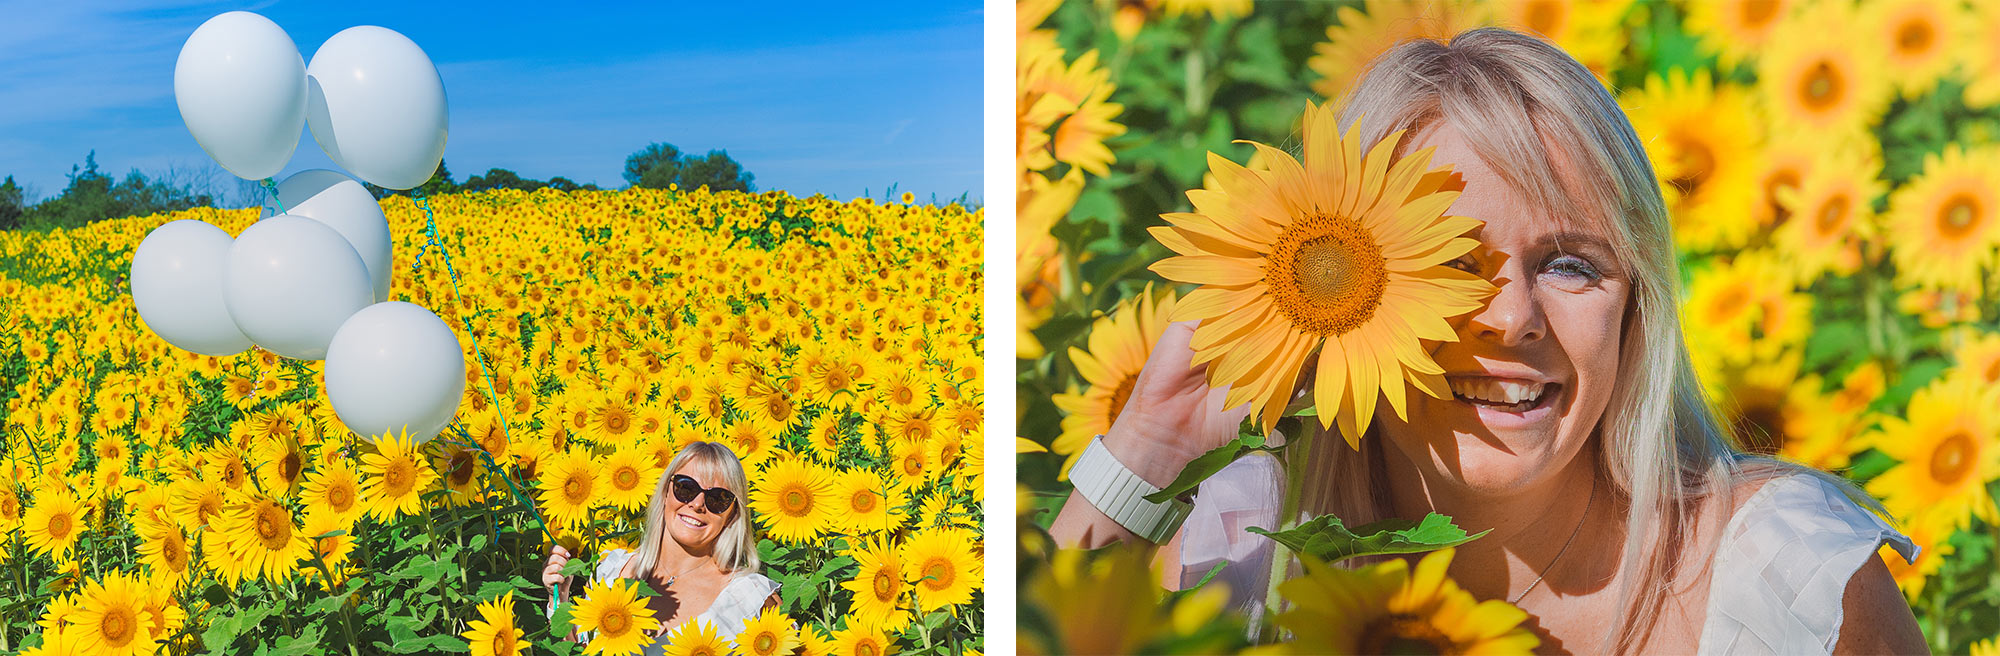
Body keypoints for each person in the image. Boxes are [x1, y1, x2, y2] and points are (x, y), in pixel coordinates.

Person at [1049, 27, 1928, 655]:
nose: (1512, 318)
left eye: (1573, 265)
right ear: (1350, 293)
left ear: (1636, 307)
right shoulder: (1243, 549)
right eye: (1452, 266)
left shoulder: (1785, 586)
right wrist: (1149, 446)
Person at [543, 441, 779, 652]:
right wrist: (560, 598)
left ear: (732, 514)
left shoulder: (747, 600)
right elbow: (578, 649)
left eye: (717, 498)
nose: (697, 504)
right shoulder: (613, 569)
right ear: (666, 491)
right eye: (686, 488)